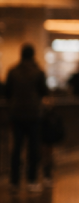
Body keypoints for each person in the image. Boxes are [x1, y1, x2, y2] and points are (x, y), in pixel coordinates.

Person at [6, 43, 48, 193]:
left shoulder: (12, 71)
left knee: (16, 148)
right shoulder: (38, 72)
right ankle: (32, 180)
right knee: (33, 148)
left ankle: (14, 181)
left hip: (16, 114)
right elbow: (44, 91)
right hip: (34, 115)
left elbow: (7, 92)